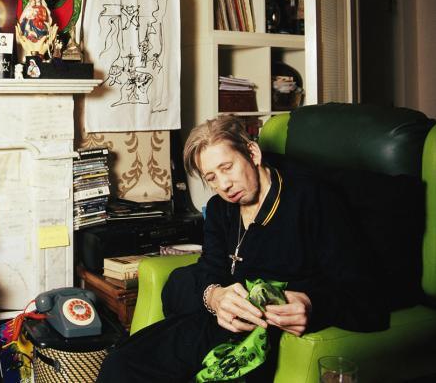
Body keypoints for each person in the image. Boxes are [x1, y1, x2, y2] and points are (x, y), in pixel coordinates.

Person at [97, 114, 387, 383]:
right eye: (211, 177)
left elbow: (365, 295)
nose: (224, 184)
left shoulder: (313, 199)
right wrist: (214, 296)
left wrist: (313, 305)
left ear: (252, 153)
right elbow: (208, 272)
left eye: (227, 167)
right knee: (120, 364)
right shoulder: (220, 209)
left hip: (261, 338)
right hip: (219, 324)